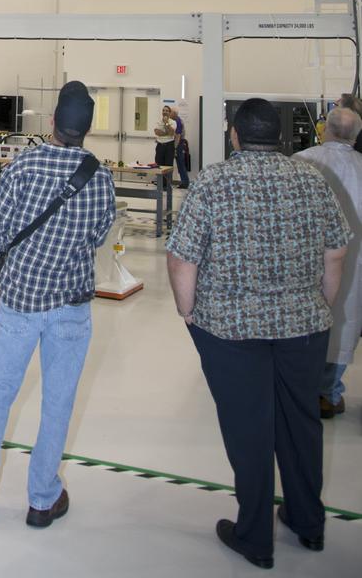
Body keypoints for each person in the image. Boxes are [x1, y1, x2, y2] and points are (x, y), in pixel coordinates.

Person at [167, 97, 350, 569]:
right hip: (303, 326)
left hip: (230, 329)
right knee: (301, 423)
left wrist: (187, 311)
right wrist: (319, 305)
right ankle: (308, 522)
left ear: (234, 134)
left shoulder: (213, 182)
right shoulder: (312, 179)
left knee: (249, 429)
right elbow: (335, 253)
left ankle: (254, 536)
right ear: (282, 137)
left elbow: (183, 257)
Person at [0, 81, 115, 528]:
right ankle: (42, 498)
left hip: (20, 303)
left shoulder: (24, 166)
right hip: (72, 306)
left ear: (52, 121)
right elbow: (98, 238)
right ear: (87, 129)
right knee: (58, 402)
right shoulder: (100, 177)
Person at [295, 105, 362, 419]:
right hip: (353, 262)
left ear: (326, 130)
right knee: (345, 322)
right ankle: (328, 393)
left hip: (304, 260)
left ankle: (298, 389)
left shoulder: (302, 162)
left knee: (303, 321)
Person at [170, 105, 190, 188]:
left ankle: (185, 182)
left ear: (174, 113)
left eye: (170, 112)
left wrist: (175, 148)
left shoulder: (177, 121)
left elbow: (178, 136)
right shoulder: (175, 120)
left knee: (180, 164)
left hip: (178, 144)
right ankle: (184, 182)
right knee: (180, 164)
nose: (169, 114)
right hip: (178, 143)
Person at [153, 105, 176, 170]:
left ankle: (168, 180)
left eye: (166, 111)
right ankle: (160, 180)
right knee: (159, 166)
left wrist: (166, 123)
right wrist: (167, 133)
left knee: (168, 168)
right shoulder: (158, 121)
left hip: (169, 146)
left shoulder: (173, 122)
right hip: (160, 146)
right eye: (163, 110)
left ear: (170, 112)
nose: (164, 112)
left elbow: (171, 133)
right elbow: (157, 132)